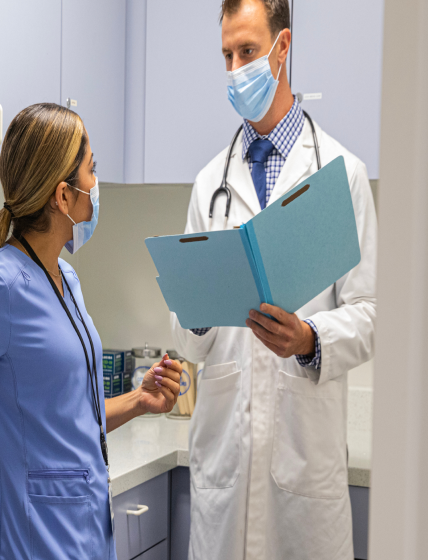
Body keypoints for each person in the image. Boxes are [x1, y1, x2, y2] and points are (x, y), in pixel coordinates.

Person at [0, 103, 182, 560]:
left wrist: (138, 401)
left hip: (83, 535)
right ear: (62, 197)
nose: (96, 186)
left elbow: (62, 421)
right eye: (91, 172)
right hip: (30, 541)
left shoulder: (66, 280)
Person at [170, 1, 377, 559]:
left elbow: (370, 312)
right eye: (227, 56)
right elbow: (192, 341)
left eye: (248, 52)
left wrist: (310, 340)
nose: (236, 70)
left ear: (282, 49)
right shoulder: (208, 182)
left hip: (303, 476)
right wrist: (191, 305)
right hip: (225, 471)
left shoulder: (341, 175)